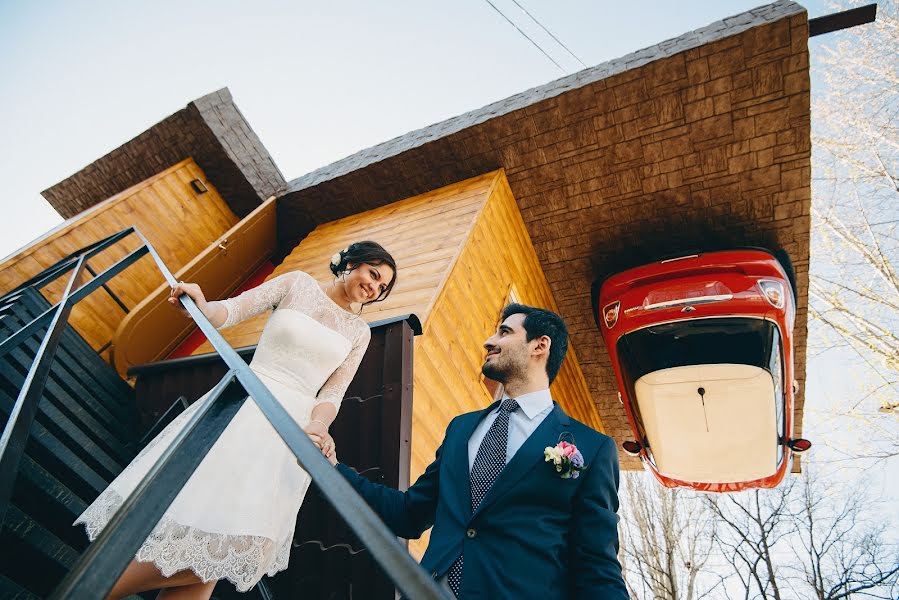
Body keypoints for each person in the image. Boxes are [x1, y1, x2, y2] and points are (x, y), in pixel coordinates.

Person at [74, 241, 397, 600]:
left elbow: (332, 392)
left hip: (289, 435)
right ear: (350, 263)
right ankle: (88, 591)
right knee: (205, 537)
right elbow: (234, 309)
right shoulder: (297, 284)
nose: (375, 286)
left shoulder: (359, 332)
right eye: (374, 274)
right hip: (244, 408)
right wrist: (201, 304)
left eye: (382, 287)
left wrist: (319, 426)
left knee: (219, 549)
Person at [324, 303, 629, 600]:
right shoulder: (461, 429)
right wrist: (334, 469)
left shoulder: (592, 448)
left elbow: (597, 565)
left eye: (504, 332)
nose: (489, 341)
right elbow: (408, 514)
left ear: (540, 345)